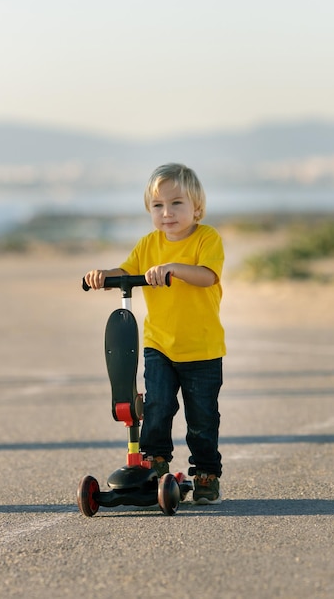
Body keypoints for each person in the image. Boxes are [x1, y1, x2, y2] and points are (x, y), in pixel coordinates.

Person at [84, 163, 226, 504]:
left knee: (201, 418)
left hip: (201, 349)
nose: (167, 213)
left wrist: (174, 269)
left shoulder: (207, 238)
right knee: (158, 404)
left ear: (197, 208)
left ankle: (206, 473)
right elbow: (127, 271)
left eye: (177, 203)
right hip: (158, 344)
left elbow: (208, 275)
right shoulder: (149, 244)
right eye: (158, 206)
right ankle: (155, 459)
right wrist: (105, 275)